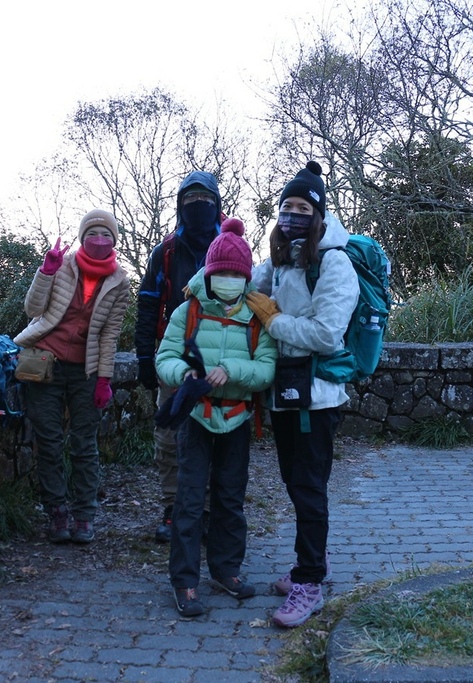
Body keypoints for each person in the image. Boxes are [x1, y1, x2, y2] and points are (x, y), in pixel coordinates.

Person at [246, 161, 358, 628]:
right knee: (296, 485)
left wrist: (273, 321)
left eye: (303, 207)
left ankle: (309, 581)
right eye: (287, 206)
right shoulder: (282, 260)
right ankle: (308, 565)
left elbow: (329, 334)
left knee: (309, 490)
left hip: (318, 396)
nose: (293, 214)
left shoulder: (334, 262)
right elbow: (240, 286)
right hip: (285, 393)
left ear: (319, 213)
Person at [156, 218, 277, 617]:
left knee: (230, 499)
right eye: (220, 272)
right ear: (208, 275)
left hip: (238, 419)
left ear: (245, 278)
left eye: (234, 274)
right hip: (196, 417)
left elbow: (266, 369)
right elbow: (165, 358)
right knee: (189, 502)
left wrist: (232, 369)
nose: (227, 279)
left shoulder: (258, 318)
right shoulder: (187, 311)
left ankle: (226, 570)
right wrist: (184, 373)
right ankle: (185, 582)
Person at [13, 209, 131, 544]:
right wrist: (45, 271)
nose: (99, 240)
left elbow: (110, 335)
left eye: (106, 235)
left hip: (86, 370)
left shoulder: (120, 282)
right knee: (48, 442)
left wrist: (104, 380)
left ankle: (84, 515)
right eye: (92, 234)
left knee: (84, 444)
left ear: (114, 241)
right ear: (82, 237)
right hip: (44, 363)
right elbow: (33, 310)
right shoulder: (62, 266)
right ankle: (57, 513)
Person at [136, 171, 223, 543]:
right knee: (169, 434)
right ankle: (173, 510)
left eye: (204, 198)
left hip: (222, 356)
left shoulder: (230, 246)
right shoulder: (165, 252)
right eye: (189, 200)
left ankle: (205, 512)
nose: (197, 206)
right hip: (174, 355)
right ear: (178, 205)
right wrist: (144, 358)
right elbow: (147, 305)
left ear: (217, 204)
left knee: (215, 434)